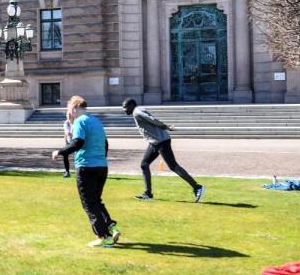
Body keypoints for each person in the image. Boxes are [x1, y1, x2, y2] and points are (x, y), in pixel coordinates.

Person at [52, 96, 120, 248]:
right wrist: (100, 158)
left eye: (69, 109)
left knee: (89, 203)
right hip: (101, 166)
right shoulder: (96, 121)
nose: (69, 113)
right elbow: (105, 144)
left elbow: (77, 143)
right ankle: (111, 227)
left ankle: (104, 237)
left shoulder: (80, 121)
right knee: (96, 200)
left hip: (86, 167)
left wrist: (60, 152)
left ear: (74, 107)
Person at [122, 98, 205, 203]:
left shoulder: (137, 112)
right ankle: (148, 194)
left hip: (161, 141)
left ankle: (197, 187)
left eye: (125, 107)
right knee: (144, 164)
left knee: (173, 166)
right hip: (154, 142)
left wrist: (166, 127)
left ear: (132, 105)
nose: (124, 110)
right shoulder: (137, 111)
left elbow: (152, 119)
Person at [60, 112, 73, 179]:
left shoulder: (75, 123)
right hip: (68, 142)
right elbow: (65, 133)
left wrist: (70, 133)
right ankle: (67, 172)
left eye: (69, 115)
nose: (68, 116)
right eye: (67, 115)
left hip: (75, 142)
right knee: (65, 155)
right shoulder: (66, 123)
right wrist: (66, 142)